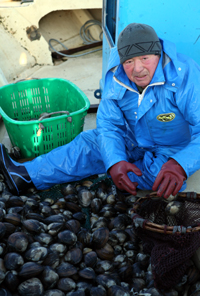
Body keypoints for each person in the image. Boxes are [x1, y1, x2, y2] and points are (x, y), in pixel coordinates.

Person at [1, 23, 200, 199]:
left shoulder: (185, 74)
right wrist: (115, 161)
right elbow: (109, 125)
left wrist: (180, 164)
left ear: (158, 54)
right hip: (131, 138)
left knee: (163, 177)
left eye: (145, 58)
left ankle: (123, 174)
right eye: (129, 62)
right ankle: (25, 175)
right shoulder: (116, 75)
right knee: (87, 145)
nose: (137, 69)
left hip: (172, 148)